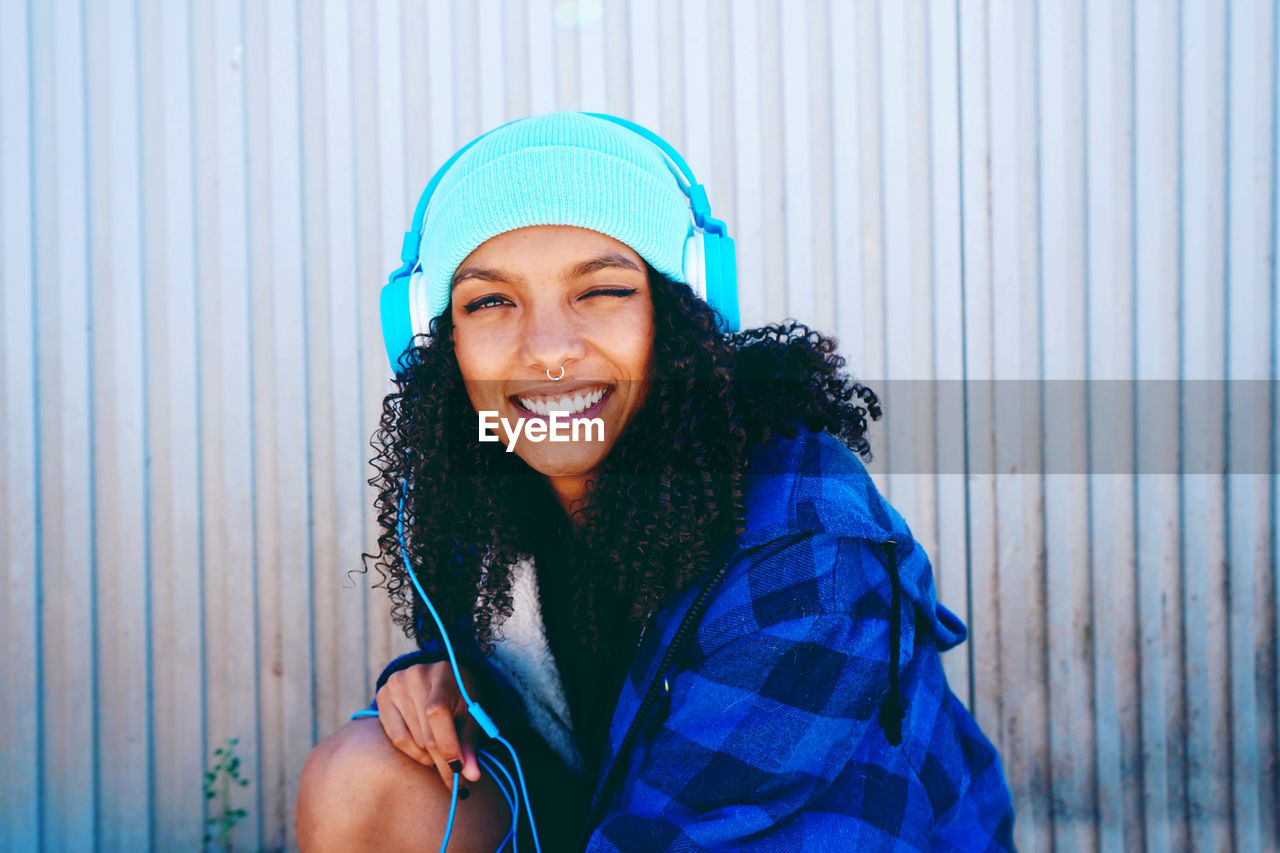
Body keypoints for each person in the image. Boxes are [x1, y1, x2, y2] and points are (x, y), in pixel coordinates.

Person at [295, 112, 1015, 852]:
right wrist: (464, 686)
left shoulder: (805, 538)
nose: (546, 351)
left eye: (601, 291)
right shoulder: (490, 490)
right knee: (362, 778)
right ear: (439, 339)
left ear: (677, 311)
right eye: (489, 301)